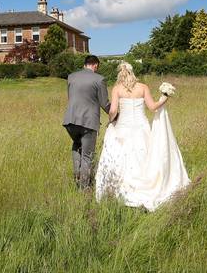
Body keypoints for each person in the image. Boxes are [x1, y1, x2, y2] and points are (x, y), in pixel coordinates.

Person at [94, 61, 190, 210]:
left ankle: (125, 189)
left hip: (123, 128)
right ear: (133, 72)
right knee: (144, 156)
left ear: (120, 73)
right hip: (141, 127)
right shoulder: (143, 87)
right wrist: (164, 99)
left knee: (122, 157)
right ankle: (146, 185)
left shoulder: (117, 89)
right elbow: (152, 107)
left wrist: (111, 121)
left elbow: (112, 111)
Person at [62, 55, 110, 190]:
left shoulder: (71, 77)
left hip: (70, 120)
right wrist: (116, 114)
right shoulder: (99, 79)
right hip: (89, 121)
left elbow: (71, 97)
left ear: (85, 64)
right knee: (88, 155)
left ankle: (77, 173)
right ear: (95, 65)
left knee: (77, 144)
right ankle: (84, 188)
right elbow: (104, 103)